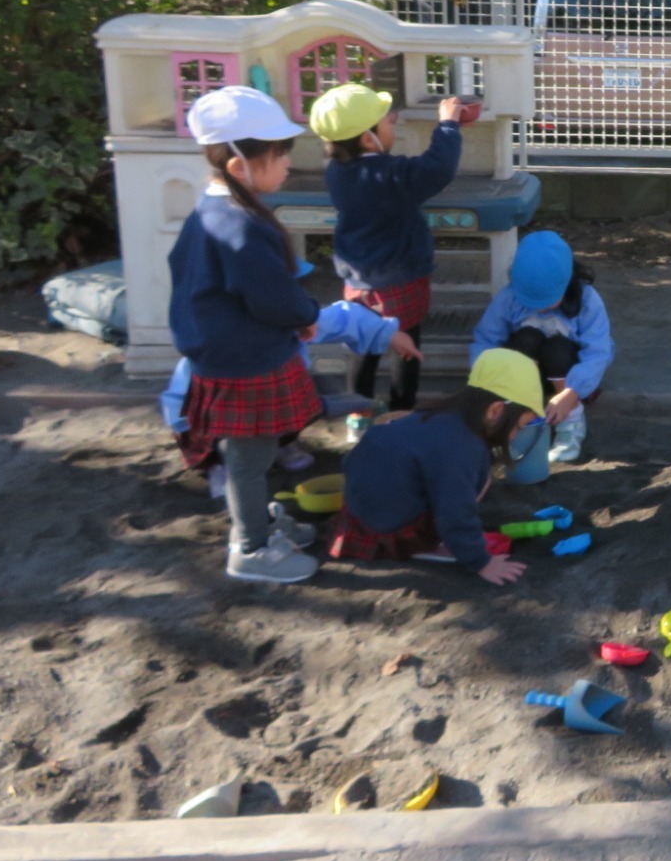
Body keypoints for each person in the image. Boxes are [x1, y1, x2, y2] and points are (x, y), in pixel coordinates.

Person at [167, 86, 331, 584]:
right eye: (279, 156)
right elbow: (272, 297)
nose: (286, 165)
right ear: (239, 165)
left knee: (250, 454)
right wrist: (305, 312)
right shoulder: (239, 225)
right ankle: (252, 548)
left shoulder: (210, 212)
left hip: (222, 352)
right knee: (249, 456)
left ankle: (258, 521)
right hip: (246, 359)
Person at [309, 82, 465, 430]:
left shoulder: (337, 172)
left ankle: (357, 416)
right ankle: (401, 412)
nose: (392, 122)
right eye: (387, 122)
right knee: (406, 347)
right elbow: (437, 168)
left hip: (358, 280)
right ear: (368, 139)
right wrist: (448, 125)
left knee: (363, 348)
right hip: (402, 278)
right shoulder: (391, 175)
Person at [161, 294, 419, 492]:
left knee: (308, 388)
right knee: (242, 451)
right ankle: (224, 466)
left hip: (272, 412)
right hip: (215, 425)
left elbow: (341, 318)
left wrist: (388, 332)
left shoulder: (290, 324)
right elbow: (182, 410)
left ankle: (282, 445)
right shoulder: (218, 353)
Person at [327, 350, 540, 585]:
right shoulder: (462, 447)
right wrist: (482, 562)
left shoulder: (441, 414)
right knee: (477, 479)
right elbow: (455, 512)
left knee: (473, 473)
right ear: (495, 411)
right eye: (518, 426)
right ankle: (425, 544)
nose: (514, 435)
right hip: (385, 525)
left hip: (356, 508)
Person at [470, 231, 612, 464]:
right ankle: (515, 417)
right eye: (530, 302)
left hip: (568, 376)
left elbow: (598, 352)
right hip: (526, 375)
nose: (540, 309)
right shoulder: (508, 299)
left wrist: (572, 392)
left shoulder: (587, 301)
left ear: (566, 283)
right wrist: (486, 383)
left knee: (557, 348)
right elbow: (486, 340)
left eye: (548, 301)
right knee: (525, 338)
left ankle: (571, 421)